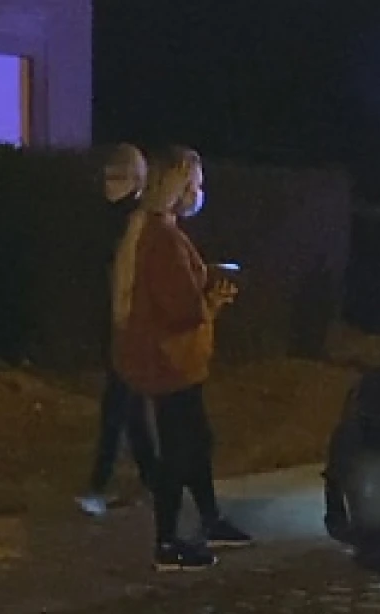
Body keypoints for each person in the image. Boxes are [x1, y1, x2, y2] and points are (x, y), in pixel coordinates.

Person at [112, 145, 253, 571]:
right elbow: (182, 308)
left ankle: (207, 520)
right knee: (180, 448)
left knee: (196, 441)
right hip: (169, 363)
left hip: (172, 361)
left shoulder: (156, 231)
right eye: (195, 182)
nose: (199, 190)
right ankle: (168, 542)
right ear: (178, 185)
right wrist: (213, 299)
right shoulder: (164, 238)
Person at [77, 143, 162, 517]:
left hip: (129, 327)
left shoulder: (135, 221)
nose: (111, 184)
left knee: (118, 405)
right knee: (130, 409)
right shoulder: (114, 218)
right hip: (117, 324)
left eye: (119, 177)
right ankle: (156, 480)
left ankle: (99, 484)